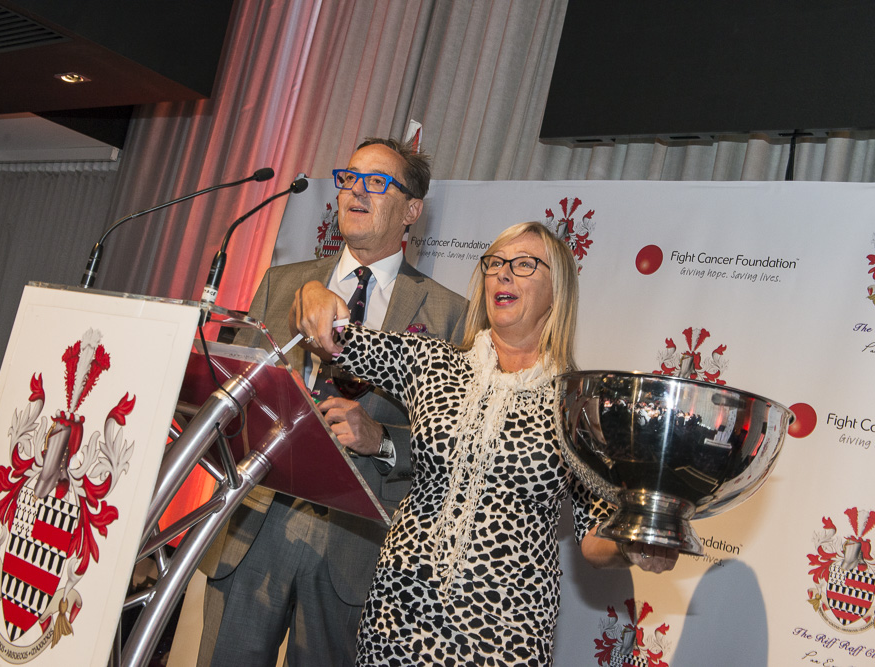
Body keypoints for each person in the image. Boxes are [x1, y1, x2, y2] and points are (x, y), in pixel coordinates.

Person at [294, 221, 678, 665]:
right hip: (399, 613)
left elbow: (594, 539)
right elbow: (331, 338)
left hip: (506, 630)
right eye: (495, 263)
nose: (503, 273)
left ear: (557, 292)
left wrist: (634, 545)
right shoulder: (431, 362)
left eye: (524, 264)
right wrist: (312, 294)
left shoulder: (577, 404)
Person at [198, 138, 467, 667]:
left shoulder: (447, 314)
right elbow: (231, 401)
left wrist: (382, 440)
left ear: (412, 211)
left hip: (356, 543)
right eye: (349, 178)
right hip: (258, 518)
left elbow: (452, 445)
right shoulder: (282, 282)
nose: (356, 191)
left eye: (377, 182)